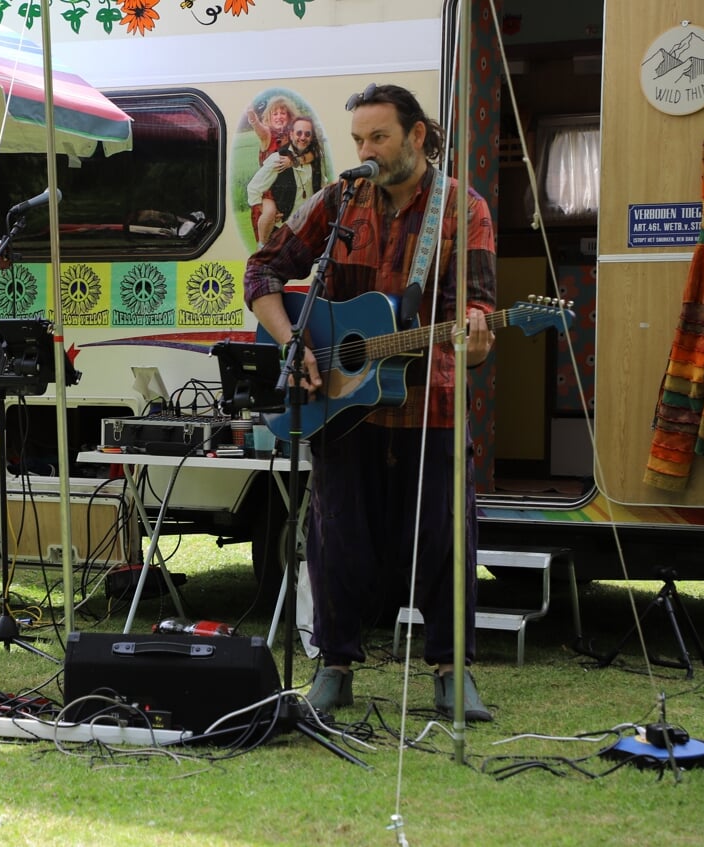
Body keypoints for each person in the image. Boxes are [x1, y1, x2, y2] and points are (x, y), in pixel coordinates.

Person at [243, 83, 496, 721]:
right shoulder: (340, 201)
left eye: (378, 137)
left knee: (443, 537)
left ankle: (450, 671)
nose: (366, 150)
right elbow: (262, 273)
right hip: (340, 407)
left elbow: (478, 319)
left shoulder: (461, 209)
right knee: (336, 537)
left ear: (416, 136)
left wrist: (475, 336)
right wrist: (294, 344)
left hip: (428, 405)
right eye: (358, 139)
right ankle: (334, 668)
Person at [246, 114, 325, 245]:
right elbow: (253, 188)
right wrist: (263, 210)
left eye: (307, 134)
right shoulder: (278, 159)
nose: (303, 137)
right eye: (299, 133)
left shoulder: (317, 159)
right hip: (283, 231)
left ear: (312, 137)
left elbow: (322, 185)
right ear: (292, 134)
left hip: (309, 229)